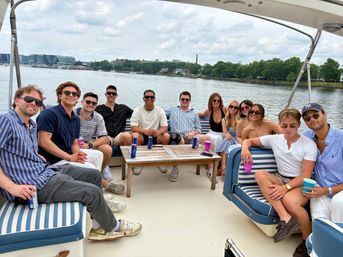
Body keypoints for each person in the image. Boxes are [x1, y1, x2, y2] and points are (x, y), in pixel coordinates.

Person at [0, 85, 142, 241]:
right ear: (17, 100)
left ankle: (97, 220)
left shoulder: (31, 125)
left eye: (38, 102)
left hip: (44, 171)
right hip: (32, 185)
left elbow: (20, 148)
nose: (34, 104)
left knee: (94, 174)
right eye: (29, 99)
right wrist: (12, 188)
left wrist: (35, 155)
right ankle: (109, 228)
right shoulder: (7, 120)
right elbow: (44, 142)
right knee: (92, 192)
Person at [241, 108, 317, 257]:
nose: (288, 129)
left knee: (291, 202)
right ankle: (285, 218)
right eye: (284, 126)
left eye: (292, 125)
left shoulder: (308, 145)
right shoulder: (275, 139)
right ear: (279, 125)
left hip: (299, 182)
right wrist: (244, 148)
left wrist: (286, 188)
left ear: (299, 125)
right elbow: (248, 140)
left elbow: (306, 174)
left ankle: (307, 242)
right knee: (260, 174)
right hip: (280, 177)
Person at [37, 81, 125, 195]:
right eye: (67, 93)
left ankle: (95, 188)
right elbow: (43, 142)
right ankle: (99, 190)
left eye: (74, 94)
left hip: (71, 153)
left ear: (77, 98)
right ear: (59, 95)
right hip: (53, 161)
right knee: (90, 169)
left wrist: (78, 155)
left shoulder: (75, 119)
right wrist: (70, 157)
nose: (71, 95)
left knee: (98, 155)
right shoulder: (50, 114)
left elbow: (74, 142)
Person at [302, 103, 343, 224]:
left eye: (316, 115)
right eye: (308, 118)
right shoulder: (306, 137)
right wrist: (246, 145)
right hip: (319, 190)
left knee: (338, 202)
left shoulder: (341, 138)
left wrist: (327, 191)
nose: (312, 120)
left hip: (338, 191)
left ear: (325, 115)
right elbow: (285, 138)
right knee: (319, 223)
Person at [76, 92, 123, 194]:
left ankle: (99, 172)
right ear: (82, 102)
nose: (91, 105)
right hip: (73, 146)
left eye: (94, 103)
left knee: (107, 149)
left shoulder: (98, 117)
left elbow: (104, 137)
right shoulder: (73, 116)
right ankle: (102, 183)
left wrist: (90, 145)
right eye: (88, 102)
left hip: (89, 145)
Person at [130, 89, 170, 175]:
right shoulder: (137, 110)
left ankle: (161, 161)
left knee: (166, 136)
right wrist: (145, 131)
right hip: (142, 135)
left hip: (156, 135)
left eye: (151, 97)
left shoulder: (160, 111)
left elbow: (165, 127)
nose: (149, 99)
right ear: (143, 99)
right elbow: (133, 127)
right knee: (135, 135)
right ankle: (137, 162)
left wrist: (158, 132)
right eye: (147, 97)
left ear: (154, 99)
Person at [165, 91, 201, 182]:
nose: (184, 101)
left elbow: (199, 129)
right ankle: (175, 168)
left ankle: (210, 168)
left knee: (207, 139)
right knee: (177, 139)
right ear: (179, 100)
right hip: (177, 137)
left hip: (191, 136)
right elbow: (159, 113)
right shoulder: (172, 110)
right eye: (183, 99)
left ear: (190, 101)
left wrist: (193, 133)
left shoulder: (194, 113)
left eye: (187, 99)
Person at [198, 92, 227, 178]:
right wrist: (188, 114)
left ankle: (214, 165)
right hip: (211, 133)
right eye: (214, 100)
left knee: (218, 140)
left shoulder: (224, 110)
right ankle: (210, 164)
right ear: (211, 101)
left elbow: (234, 114)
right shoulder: (209, 111)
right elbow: (201, 114)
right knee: (202, 138)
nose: (216, 102)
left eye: (218, 100)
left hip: (221, 134)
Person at [215, 100, 240, 175]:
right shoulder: (224, 119)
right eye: (231, 106)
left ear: (238, 109)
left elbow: (240, 134)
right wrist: (227, 135)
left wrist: (229, 136)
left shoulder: (240, 120)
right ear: (228, 107)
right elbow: (225, 132)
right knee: (227, 141)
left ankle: (222, 168)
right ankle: (223, 168)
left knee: (226, 142)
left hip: (237, 139)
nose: (233, 108)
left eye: (235, 107)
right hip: (229, 138)